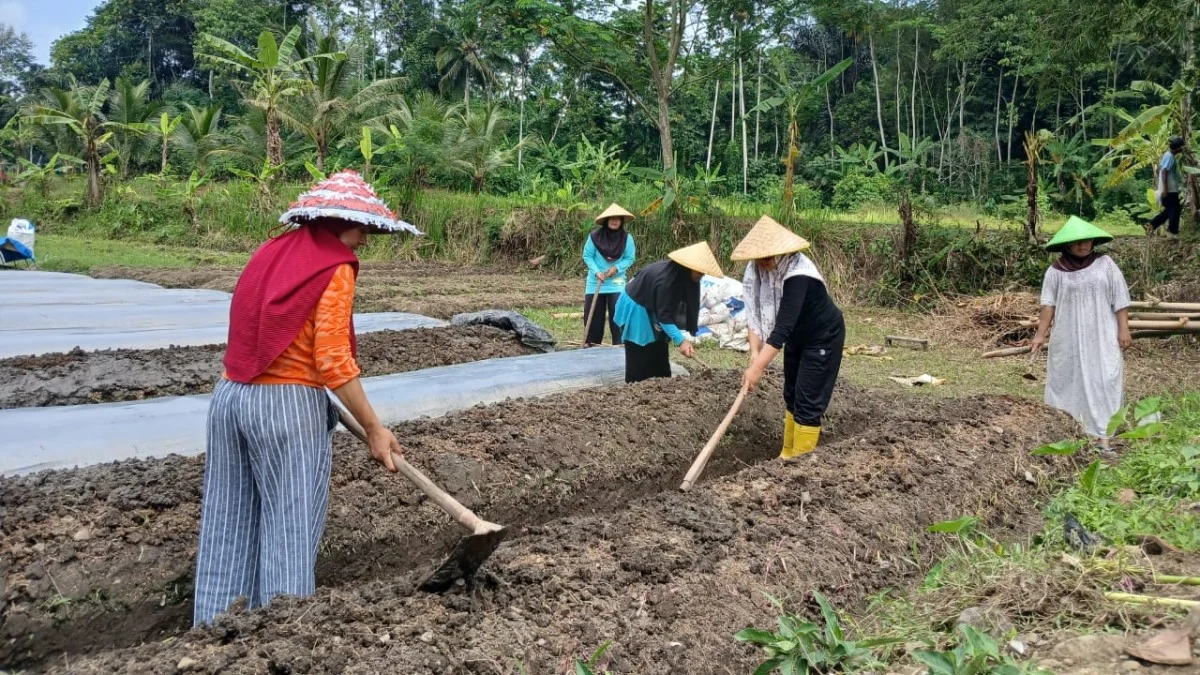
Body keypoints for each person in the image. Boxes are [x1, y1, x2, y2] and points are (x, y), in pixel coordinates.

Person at [193, 170, 422, 626]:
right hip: (285, 410)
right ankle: (282, 637)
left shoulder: (271, 251)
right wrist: (375, 429)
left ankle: (214, 636)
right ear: (341, 223)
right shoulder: (334, 266)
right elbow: (334, 362)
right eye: (363, 230)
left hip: (230, 399)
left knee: (228, 521)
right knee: (290, 527)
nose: (365, 241)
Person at [737, 216, 845, 461]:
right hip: (797, 336)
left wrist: (758, 370)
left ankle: (800, 464)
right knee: (792, 393)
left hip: (822, 337)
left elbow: (782, 328)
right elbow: (753, 312)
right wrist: (755, 353)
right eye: (758, 258)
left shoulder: (799, 275)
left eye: (766, 257)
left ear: (783, 253)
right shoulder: (757, 270)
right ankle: (786, 455)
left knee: (808, 400)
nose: (761, 263)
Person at [1031, 216, 1132, 452]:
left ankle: (1103, 438)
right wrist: (1039, 335)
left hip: (1102, 334)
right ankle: (1068, 433)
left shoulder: (1106, 264)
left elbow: (1120, 300)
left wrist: (1124, 329)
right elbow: (1048, 306)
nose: (1083, 245)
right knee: (1068, 381)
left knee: (1104, 379)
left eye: (1087, 240)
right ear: (1067, 244)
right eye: (1077, 241)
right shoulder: (1055, 272)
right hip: (1068, 337)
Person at [613, 242, 724, 383]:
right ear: (688, 267)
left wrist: (679, 338)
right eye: (699, 272)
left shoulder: (684, 277)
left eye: (703, 272)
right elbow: (664, 317)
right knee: (640, 349)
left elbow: (665, 313)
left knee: (659, 346)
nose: (702, 276)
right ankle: (635, 388)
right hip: (636, 304)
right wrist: (681, 341)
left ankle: (662, 385)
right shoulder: (667, 281)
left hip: (652, 303)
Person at [583, 203, 636, 346]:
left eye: (617, 219)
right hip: (596, 282)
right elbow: (587, 256)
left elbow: (630, 258)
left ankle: (619, 347)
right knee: (593, 319)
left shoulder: (627, 238)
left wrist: (617, 268)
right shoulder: (594, 236)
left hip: (616, 283)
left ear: (621, 221)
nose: (614, 221)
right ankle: (592, 347)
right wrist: (597, 272)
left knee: (618, 317)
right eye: (611, 218)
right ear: (606, 221)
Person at [1147, 136, 1185, 237]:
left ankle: (1152, 224)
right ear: (1178, 148)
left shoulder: (1167, 155)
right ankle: (1172, 232)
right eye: (1182, 147)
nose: (1183, 149)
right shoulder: (1170, 157)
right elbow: (1163, 171)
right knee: (1175, 210)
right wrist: (1165, 189)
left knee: (1169, 211)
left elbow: (1159, 169)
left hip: (1169, 189)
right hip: (1169, 190)